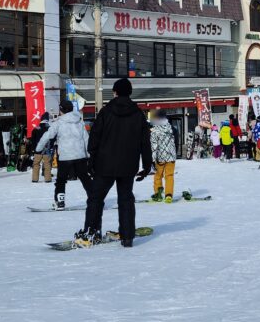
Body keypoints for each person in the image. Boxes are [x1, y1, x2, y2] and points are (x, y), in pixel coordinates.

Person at [78, 79, 152, 247]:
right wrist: (147, 165)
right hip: (128, 165)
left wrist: (91, 160)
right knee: (125, 199)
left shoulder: (106, 112)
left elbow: (94, 137)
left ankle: (91, 233)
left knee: (95, 199)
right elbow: (145, 142)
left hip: (105, 164)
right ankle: (127, 237)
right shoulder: (138, 114)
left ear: (115, 92)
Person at [36, 101, 92, 210]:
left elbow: (47, 136)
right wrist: (89, 154)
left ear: (61, 109)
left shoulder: (58, 123)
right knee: (85, 178)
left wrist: (38, 149)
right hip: (80, 155)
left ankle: (60, 203)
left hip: (65, 156)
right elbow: (86, 138)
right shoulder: (79, 122)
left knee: (61, 180)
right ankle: (96, 200)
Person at [149, 109, 177, 202]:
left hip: (159, 157)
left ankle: (158, 194)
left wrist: (152, 160)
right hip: (171, 156)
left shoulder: (154, 131)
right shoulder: (171, 128)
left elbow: (154, 146)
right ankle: (169, 195)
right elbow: (175, 141)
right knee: (169, 176)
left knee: (158, 176)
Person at [29, 113, 53, 183]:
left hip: (37, 150)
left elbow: (32, 140)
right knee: (47, 164)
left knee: (36, 164)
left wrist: (33, 149)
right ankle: (48, 179)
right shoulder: (49, 128)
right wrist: (51, 147)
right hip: (47, 150)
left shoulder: (36, 129)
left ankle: (35, 179)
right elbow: (52, 139)